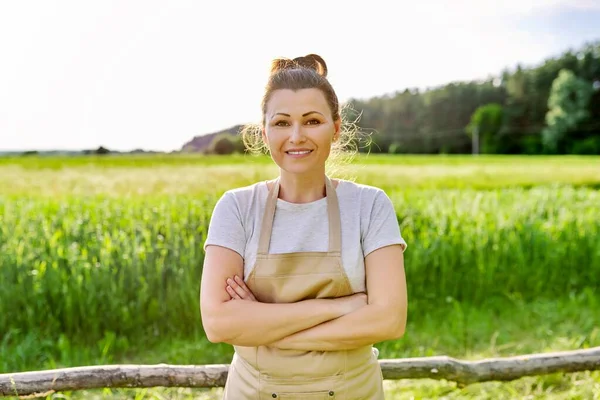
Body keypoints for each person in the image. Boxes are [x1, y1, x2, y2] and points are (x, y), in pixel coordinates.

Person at [200, 54, 408, 399]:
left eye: (312, 121)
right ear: (264, 132)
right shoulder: (236, 208)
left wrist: (263, 328)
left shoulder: (370, 205)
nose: (296, 136)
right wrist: (339, 306)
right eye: (282, 123)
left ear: (336, 128)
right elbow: (218, 323)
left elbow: (388, 320)